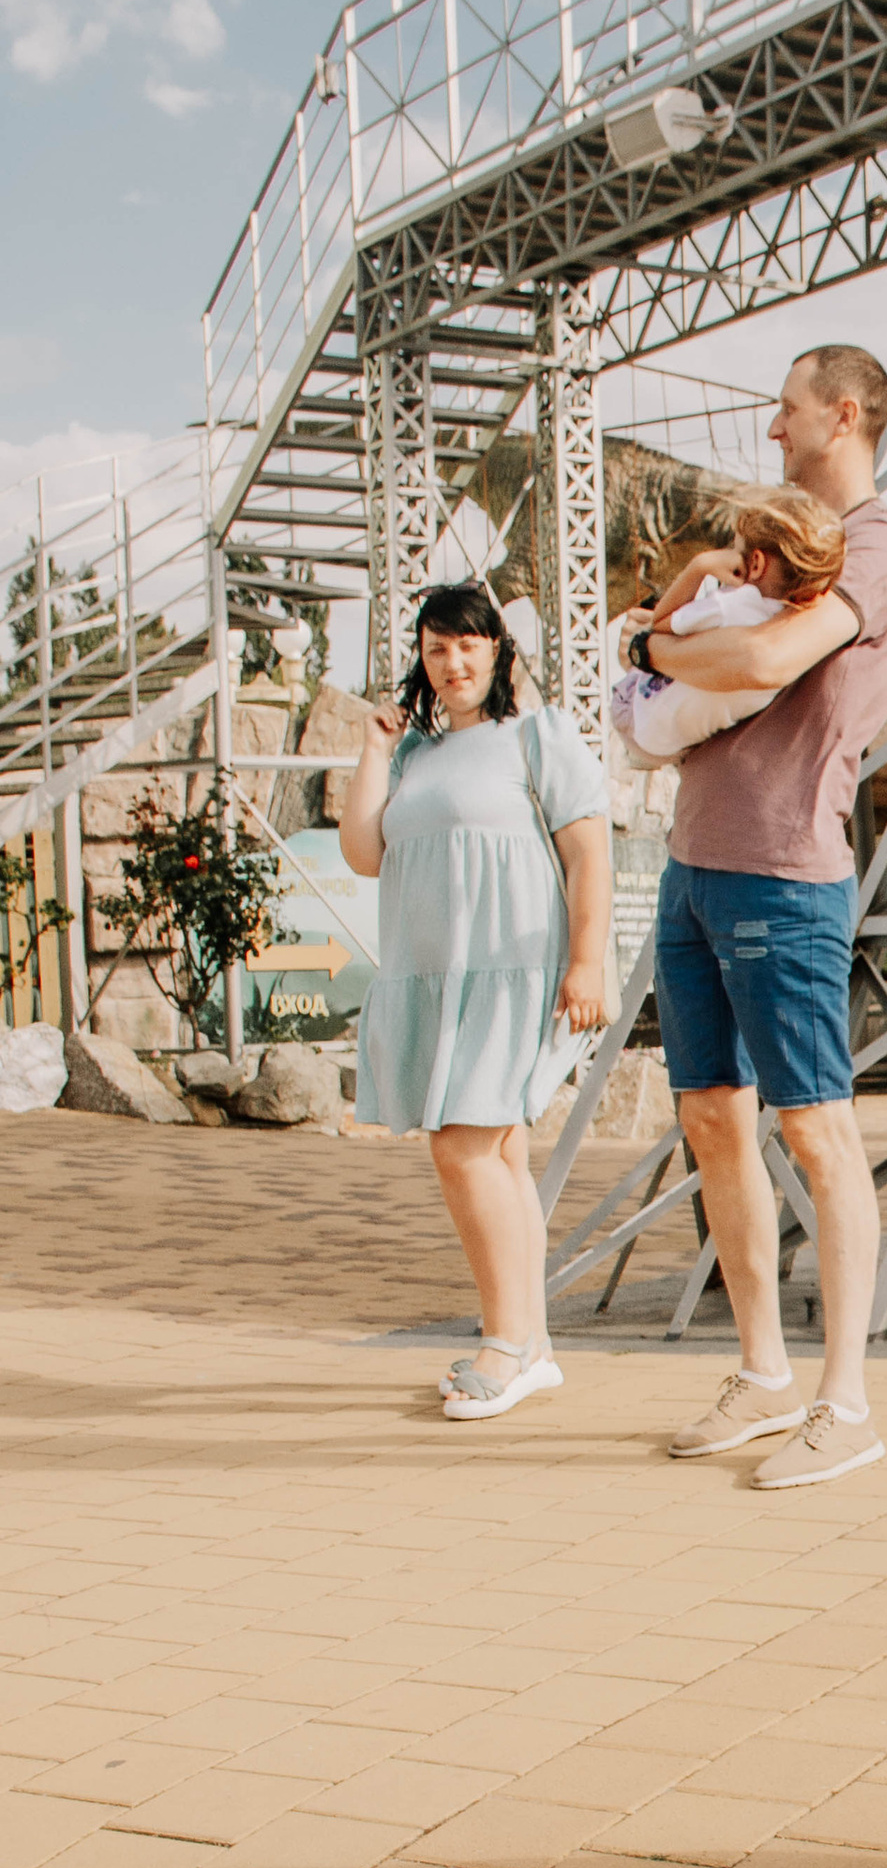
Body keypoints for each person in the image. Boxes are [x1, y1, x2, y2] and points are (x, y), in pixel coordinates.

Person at [625, 343, 887, 1492]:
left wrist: (650, 645)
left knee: (816, 1131)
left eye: (786, 409)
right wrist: (678, 635)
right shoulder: (769, 545)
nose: (771, 428)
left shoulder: (878, 545)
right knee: (711, 1119)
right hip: (695, 863)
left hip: (785, 874)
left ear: (842, 416)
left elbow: (756, 654)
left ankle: (847, 1405)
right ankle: (763, 1376)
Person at [341, 580, 611, 1421]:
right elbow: (364, 854)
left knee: (461, 1149)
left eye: (467, 644)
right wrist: (375, 751)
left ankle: (507, 1344)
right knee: (498, 1158)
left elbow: (589, 853)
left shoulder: (536, 735)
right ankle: (533, 1343)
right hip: (434, 976)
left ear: (497, 649)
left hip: (511, 970)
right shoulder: (416, 755)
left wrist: (587, 963)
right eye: (436, 649)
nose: (452, 662)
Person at [611, 488, 848, 762]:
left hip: (636, 717)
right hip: (675, 747)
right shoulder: (796, 636)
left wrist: (699, 566)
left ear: (756, 563)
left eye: (735, 550)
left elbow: (660, 624)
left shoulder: (730, 605)